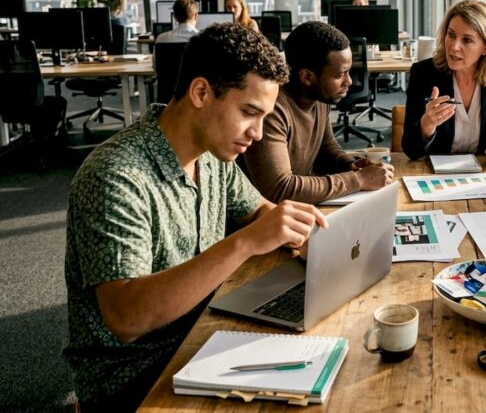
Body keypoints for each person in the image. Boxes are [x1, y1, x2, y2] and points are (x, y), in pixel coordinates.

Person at [64, 23, 328, 412]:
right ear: (201, 92)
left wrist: (305, 236)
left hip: (203, 335)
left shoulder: (213, 154)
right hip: (134, 378)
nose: (257, 133)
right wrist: (244, 242)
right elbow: (126, 318)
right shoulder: (115, 175)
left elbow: (260, 212)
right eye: (249, 113)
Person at [243, 21, 394, 204]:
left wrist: (351, 165)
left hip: (298, 207)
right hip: (266, 215)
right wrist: (357, 180)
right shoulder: (271, 110)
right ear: (307, 76)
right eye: (340, 75)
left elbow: (326, 147)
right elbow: (279, 189)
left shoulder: (319, 97)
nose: (349, 82)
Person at [401, 0, 486, 165]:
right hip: (434, 173)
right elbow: (411, 150)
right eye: (451, 35)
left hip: (484, 172)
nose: (454, 46)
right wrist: (427, 125)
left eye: (467, 40)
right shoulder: (423, 73)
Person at [152, 0, 199, 70]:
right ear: (196, 16)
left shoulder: (160, 39)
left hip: (167, 78)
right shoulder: (205, 40)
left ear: (174, 17)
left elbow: (155, 66)